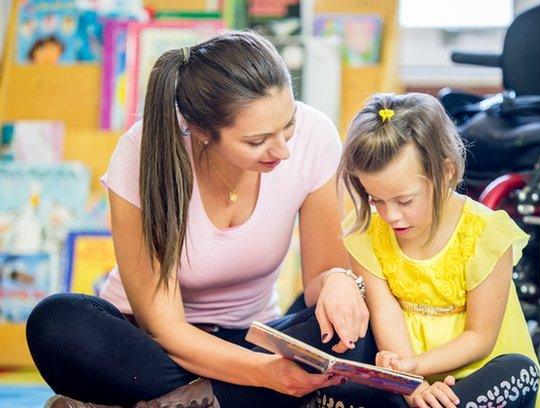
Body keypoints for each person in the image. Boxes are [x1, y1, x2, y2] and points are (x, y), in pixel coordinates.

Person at [25, 30, 370, 408]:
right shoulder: (143, 151)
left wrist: (339, 282)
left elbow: (321, 277)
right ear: (203, 132)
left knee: (351, 329)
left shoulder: (316, 135)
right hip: (154, 348)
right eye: (257, 141)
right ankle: (227, 398)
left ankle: (170, 402)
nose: (283, 150)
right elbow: (167, 329)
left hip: (254, 337)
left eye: (288, 124)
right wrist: (265, 375)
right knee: (57, 324)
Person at [332, 93, 540, 408]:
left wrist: (417, 368)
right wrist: (413, 386)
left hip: (475, 375)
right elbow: (384, 312)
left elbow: (480, 338)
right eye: (375, 199)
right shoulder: (368, 229)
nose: (389, 215)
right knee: (338, 389)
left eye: (404, 200)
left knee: (521, 372)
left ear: (445, 172)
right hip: (407, 378)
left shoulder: (484, 233)